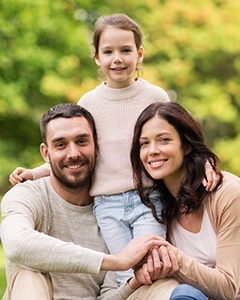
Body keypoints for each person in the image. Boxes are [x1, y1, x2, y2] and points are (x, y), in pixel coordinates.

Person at [8, 13, 219, 285]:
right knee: (124, 276)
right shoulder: (89, 102)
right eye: (108, 51)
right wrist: (35, 173)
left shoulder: (155, 96)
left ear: (139, 54)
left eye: (126, 50)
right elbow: (79, 152)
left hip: (148, 199)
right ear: (97, 57)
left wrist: (205, 163)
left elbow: (181, 140)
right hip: (106, 205)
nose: (117, 58)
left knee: (151, 266)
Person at [1, 103, 181, 300]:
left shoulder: (112, 212)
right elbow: (17, 244)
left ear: (96, 145)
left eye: (81, 141)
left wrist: (134, 281)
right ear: (46, 153)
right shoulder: (28, 195)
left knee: (170, 286)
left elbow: (109, 296)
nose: (73, 154)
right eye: (61, 144)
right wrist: (116, 261)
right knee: (28, 274)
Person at [130, 101, 240, 299]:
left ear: (187, 145)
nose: (152, 150)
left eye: (164, 140)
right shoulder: (154, 205)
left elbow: (229, 288)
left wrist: (173, 258)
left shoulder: (227, 194)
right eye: (144, 143)